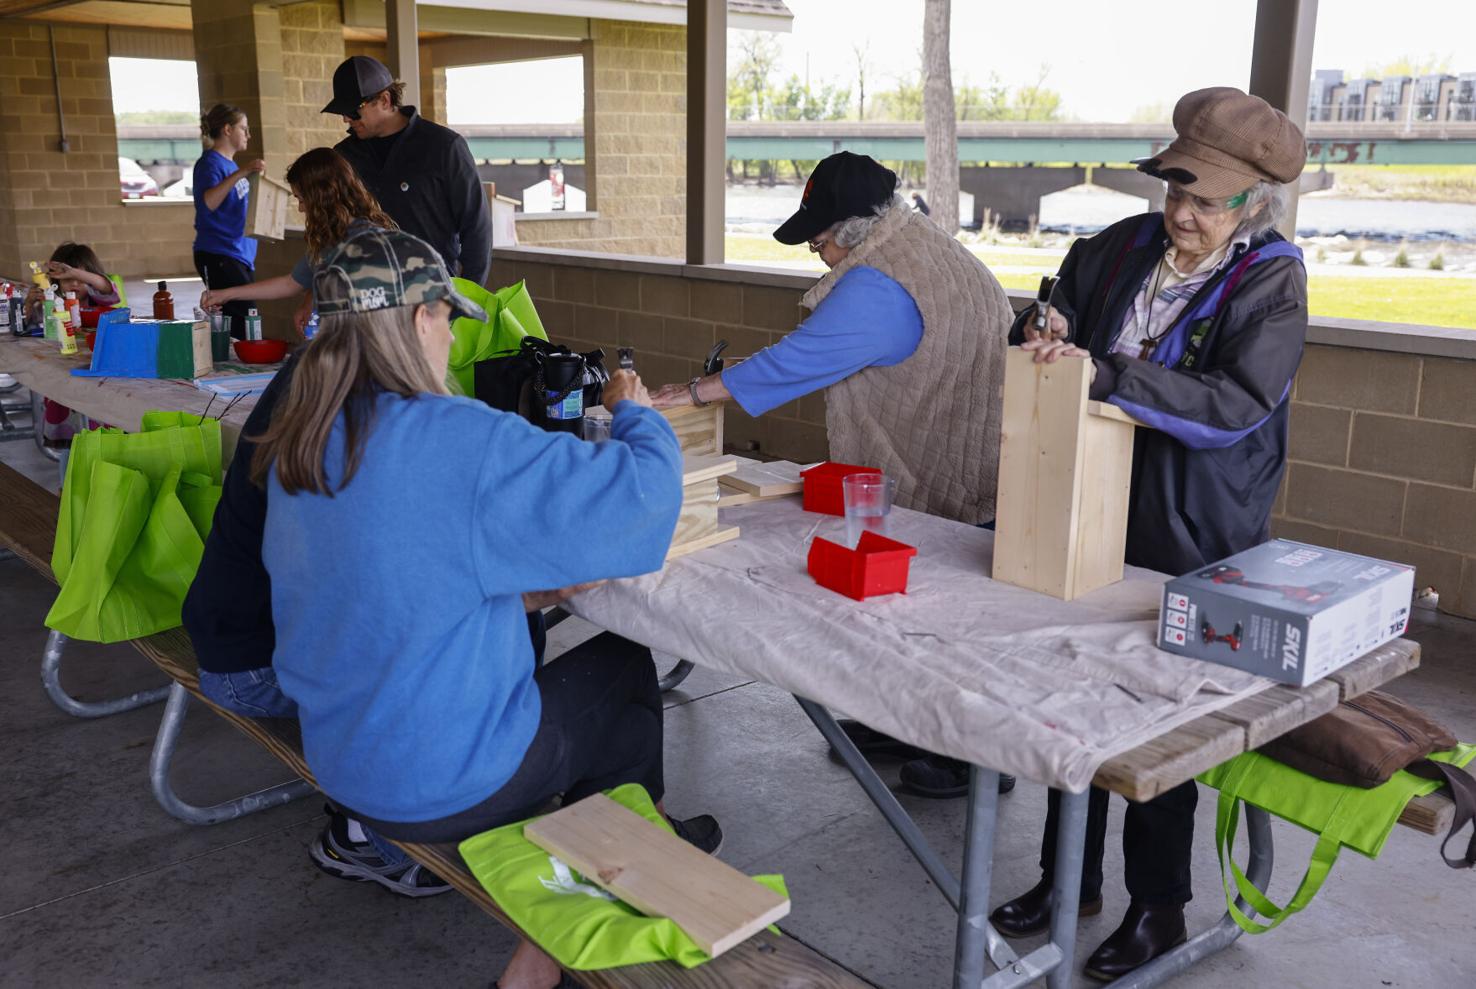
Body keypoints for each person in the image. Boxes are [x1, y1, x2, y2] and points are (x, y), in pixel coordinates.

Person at [248, 227, 717, 989]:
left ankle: (630, 850)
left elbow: (388, 579)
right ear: (417, 320)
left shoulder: (304, 437)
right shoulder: (460, 436)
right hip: (443, 783)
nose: (449, 335)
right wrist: (636, 413)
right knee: (623, 672)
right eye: (447, 317)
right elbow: (644, 506)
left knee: (554, 656)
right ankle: (580, 915)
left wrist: (518, 589)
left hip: (345, 760)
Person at [987, 87, 1309, 982]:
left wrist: (1109, 372)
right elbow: (1057, 309)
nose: (1181, 213)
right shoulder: (1123, 244)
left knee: (1155, 718)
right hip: (1090, 504)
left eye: (1204, 201)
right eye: (1174, 189)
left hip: (1194, 523)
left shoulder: (1272, 280)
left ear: (1253, 203)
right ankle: (1067, 877)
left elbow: (1234, 410)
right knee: (1069, 695)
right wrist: (1043, 326)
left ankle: (1157, 904)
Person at [651, 150, 1018, 797]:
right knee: (928, 608)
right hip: (979, 455)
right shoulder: (920, 245)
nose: (818, 255)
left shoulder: (878, 283)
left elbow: (800, 361)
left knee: (950, 626)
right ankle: (914, 727)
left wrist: (694, 392)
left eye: (819, 242)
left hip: (957, 467)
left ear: (851, 231)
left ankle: (972, 757)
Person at [321, 55, 491, 285]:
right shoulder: (344, 157)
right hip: (367, 294)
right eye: (342, 111)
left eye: (353, 111)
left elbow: (476, 226)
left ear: (385, 100)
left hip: (433, 292)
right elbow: (332, 227)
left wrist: (470, 296)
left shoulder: (443, 146)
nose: (345, 119)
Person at [199, 147, 395, 334]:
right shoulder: (330, 238)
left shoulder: (369, 241)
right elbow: (291, 283)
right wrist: (224, 294)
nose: (301, 209)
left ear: (321, 197)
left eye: (301, 199)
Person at [23, 242, 121, 471]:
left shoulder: (99, 301)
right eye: (66, 279)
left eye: (80, 278)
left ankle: (103, 473)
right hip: (63, 378)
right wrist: (29, 303)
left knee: (99, 430)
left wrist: (75, 273)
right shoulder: (51, 305)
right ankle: (67, 485)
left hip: (95, 377)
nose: (74, 284)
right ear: (55, 281)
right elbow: (28, 324)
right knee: (71, 440)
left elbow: (108, 288)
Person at [193, 103, 264, 336]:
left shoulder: (230, 164)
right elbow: (209, 202)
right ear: (227, 129)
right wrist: (243, 172)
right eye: (244, 129)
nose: (248, 135)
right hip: (220, 252)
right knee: (244, 319)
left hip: (239, 252)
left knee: (242, 318)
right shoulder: (210, 163)